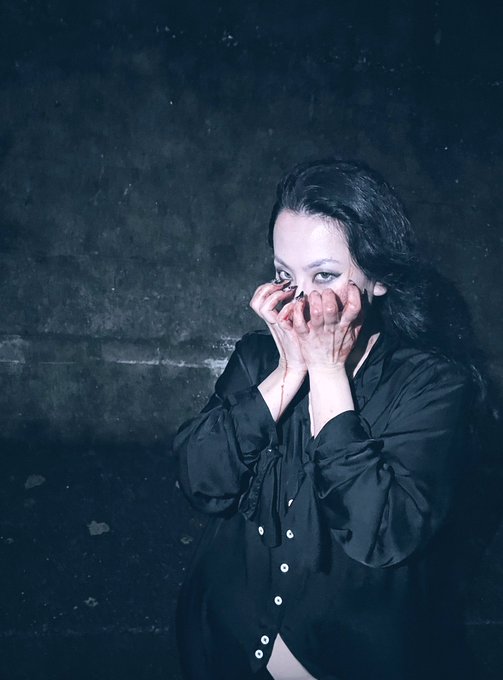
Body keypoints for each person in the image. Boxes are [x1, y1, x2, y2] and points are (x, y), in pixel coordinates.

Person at [173, 159, 482, 680]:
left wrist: (328, 372)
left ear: (378, 277)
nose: (299, 300)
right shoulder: (256, 359)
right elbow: (200, 480)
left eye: (325, 276)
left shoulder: (433, 384)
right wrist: (288, 372)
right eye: (284, 276)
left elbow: (380, 533)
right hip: (223, 647)